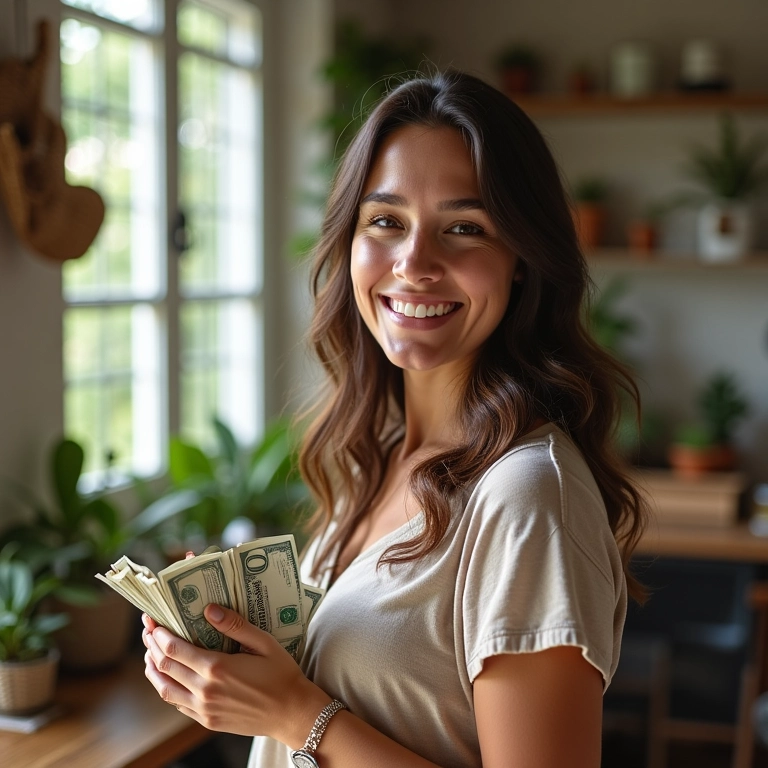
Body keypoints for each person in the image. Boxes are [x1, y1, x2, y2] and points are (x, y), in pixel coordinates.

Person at [141, 69, 648, 768]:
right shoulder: (372, 458)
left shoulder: (528, 497)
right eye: (386, 221)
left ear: (522, 261)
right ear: (350, 241)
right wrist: (235, 657)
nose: (415, 263)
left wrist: (300, 716)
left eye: (464, 228)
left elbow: (309, 719)